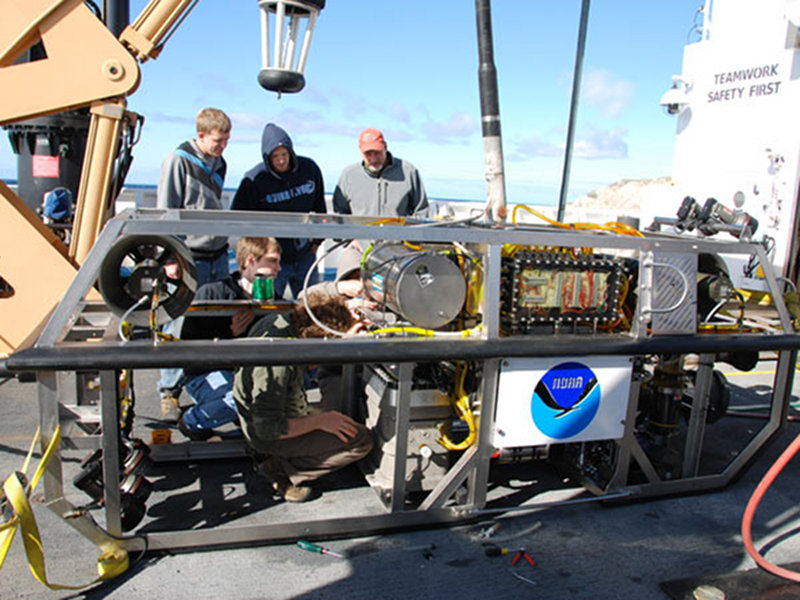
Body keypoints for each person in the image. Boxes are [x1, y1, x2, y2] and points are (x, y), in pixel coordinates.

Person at [234, 291, 374, 503]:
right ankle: (281, 470)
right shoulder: (277, 365)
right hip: (266, 433)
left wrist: (346, 323)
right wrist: (320, 421)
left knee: (339, 416)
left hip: (276, 410)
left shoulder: (279, 322)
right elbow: (267, 428)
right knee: (361, 439)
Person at [156, 107, 232, 422]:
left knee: (219, 316)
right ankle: (169, 392)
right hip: (189, 255)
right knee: (177, 321)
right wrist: (170, 257)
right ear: (201, 135)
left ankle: (214, 379)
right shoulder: (179, 160)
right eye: (217, 141)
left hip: (218, 253)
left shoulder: (220, 162)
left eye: (226, 141)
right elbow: (167, 210)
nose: (222, 147)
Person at [177, 237, 282, 441]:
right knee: (240, 399)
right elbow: (190, 347)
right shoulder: (213, 293)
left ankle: (245, 428)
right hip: (207, 373)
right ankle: (192, 421)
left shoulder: (273, 298)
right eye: (272, 261)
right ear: (251, 260)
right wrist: (229, 334)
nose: (278, 268)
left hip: (248, 373)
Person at [231, 123, 326, 300]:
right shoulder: (253, 179)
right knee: (269, 307)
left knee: (313, 305)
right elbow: (239, 220)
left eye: (284, 154)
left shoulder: (309, 169)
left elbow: (320, 207)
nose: (281, 160)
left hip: (305, 255)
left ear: (291, 151)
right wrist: (258, 253)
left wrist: (316, 242)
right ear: (267, 157)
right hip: (271, 259)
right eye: (275, 156)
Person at [332, 128, 429, 218]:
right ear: (360, 151)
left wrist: (409, 236)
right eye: (368, 154)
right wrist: (348, 237)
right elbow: (339, 217)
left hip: (399, 236)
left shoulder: (408, 171)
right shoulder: (348, 175)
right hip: (360, 236)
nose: (373, 159)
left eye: (377, 152)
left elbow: (421, 212)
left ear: (385, 147)